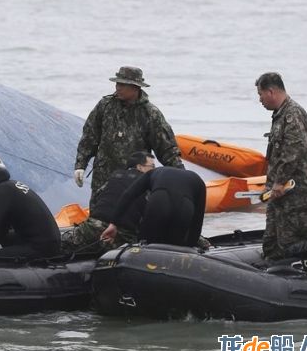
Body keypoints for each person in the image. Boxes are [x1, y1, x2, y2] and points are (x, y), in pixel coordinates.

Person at [74, 66, 184, 209]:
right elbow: (89, 136)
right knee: (98, 217)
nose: (117, 87)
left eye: (122, 84)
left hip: (135, 181)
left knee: (132, 220)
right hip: (103, 178)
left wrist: (182, 176)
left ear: (135, 87)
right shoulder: (105, 106)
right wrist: (80, 165)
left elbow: (166, 149)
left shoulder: (150, 114)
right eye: (117, 83)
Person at [256, 72, 307, 260]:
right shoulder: (279, 115)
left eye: (260, 94)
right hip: (279, 193)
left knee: (291, 244)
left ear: (271, 91)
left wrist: (279, 182)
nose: (259, 100)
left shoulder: (292, 114)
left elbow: (293, 152)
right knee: (271, 244)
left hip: (294, 193)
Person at [62, 151, 155, 253]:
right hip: (120, 238)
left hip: (92, 228)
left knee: (59, 245)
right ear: (140, 167)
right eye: (152, 166)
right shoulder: (149, 185)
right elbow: (150, 217)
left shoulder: (115, 176)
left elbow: (96, 198)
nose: (154, 170)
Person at [101, 166, 206, 247]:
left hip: (159, 200)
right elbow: (197, 220)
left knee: (146, 245)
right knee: (175, 249)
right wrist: (191, 246)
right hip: (185, 206)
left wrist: (113, 224)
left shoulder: (153, 172)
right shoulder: (199, 181)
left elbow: (128, 195)